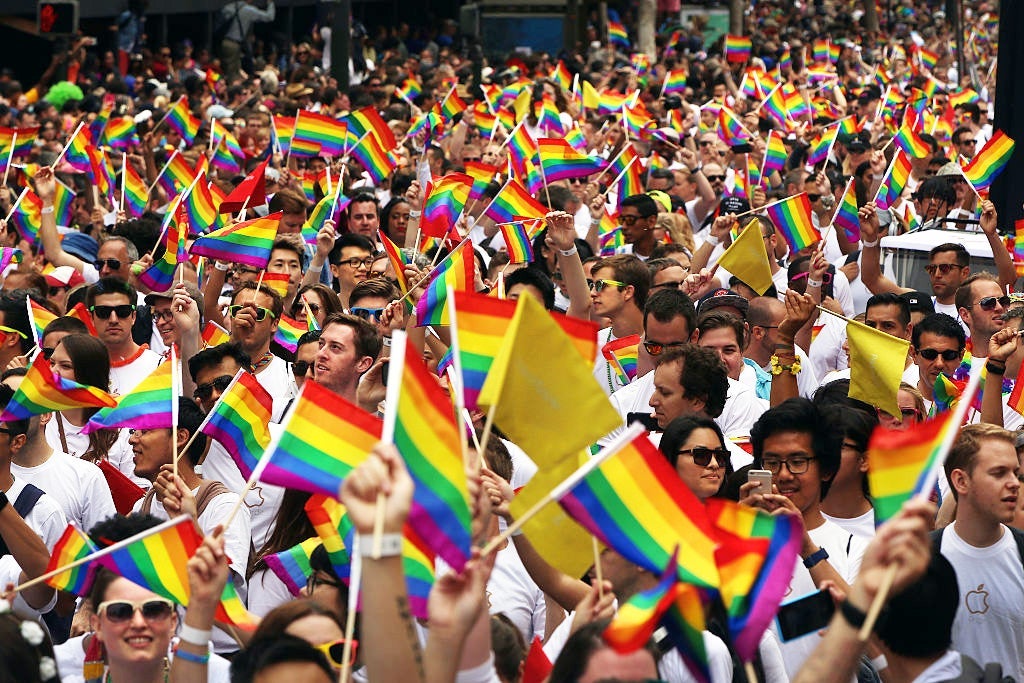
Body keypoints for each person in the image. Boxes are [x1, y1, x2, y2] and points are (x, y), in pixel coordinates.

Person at [741, 397, 868, 678]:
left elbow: (865, 628)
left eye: (797, 462)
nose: (784, 475)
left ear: (826, 470)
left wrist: (807, 548)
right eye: (772, 463)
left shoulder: (854, 548)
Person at [128, 398, 251, 654]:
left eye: (145, 431)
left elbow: (217, 588)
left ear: (181, 437)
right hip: (160, 654)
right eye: (133, 431)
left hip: (217, 656)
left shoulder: (224, 505)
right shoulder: (141, 508)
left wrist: (187, 524)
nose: (132, 439)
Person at [937, 423, 1024, 681]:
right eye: (999, 473)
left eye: (1016, 473)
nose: (1014, 484)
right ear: (961, 481)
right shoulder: (924, 559)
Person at [226, 282, 296, 422]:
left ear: (274, 324)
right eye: (238, 310)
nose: (247, 318)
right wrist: (234, 340)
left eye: (258, 313)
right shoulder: (210, 365)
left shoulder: (290, 377)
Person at [86, 279, 162, 395]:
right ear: (91, 318)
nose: (113, 320)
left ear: (133, 316)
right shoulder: (77, 369)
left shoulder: (159, 366)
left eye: (122, 311)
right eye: (103, 312)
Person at [590, 255, 649, 395]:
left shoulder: (660, 343)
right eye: (592, 286)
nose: (592, 293)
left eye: (600, 285)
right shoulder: (593, 344)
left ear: (627, 292)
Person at [910, 313, 966, 414]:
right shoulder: (897, 404)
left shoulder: (972, 409)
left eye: (949, 355)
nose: (939, 364)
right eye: (929, 354)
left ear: (961, 356)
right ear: (914, 354)